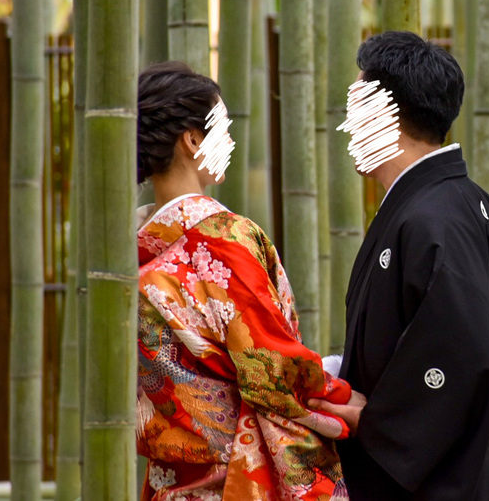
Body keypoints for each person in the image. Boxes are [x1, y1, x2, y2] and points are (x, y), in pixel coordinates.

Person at [310, 32, 489, 500]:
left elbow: (461, 353)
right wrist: (343, 371)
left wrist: (376, 420)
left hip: (433, 483)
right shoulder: (461, 202)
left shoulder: (431, 216)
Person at [135, 61, 353, 501]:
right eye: (221, 128)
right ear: (192, 139)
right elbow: (271, 367)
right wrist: (338, 389)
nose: (230, 142)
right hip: (234, 477)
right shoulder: (223, 240)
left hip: (170, 480)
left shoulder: (133, 255)